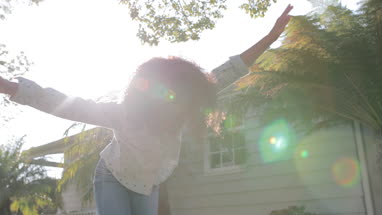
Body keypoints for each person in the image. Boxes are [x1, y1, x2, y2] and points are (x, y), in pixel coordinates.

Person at [0, 4, 293, 215]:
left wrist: (271, 36)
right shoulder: (123, 114)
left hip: (149, 182)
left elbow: (231, 70)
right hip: (111, 175)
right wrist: (9, 87)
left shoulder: (184, 105)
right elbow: (64, 105)